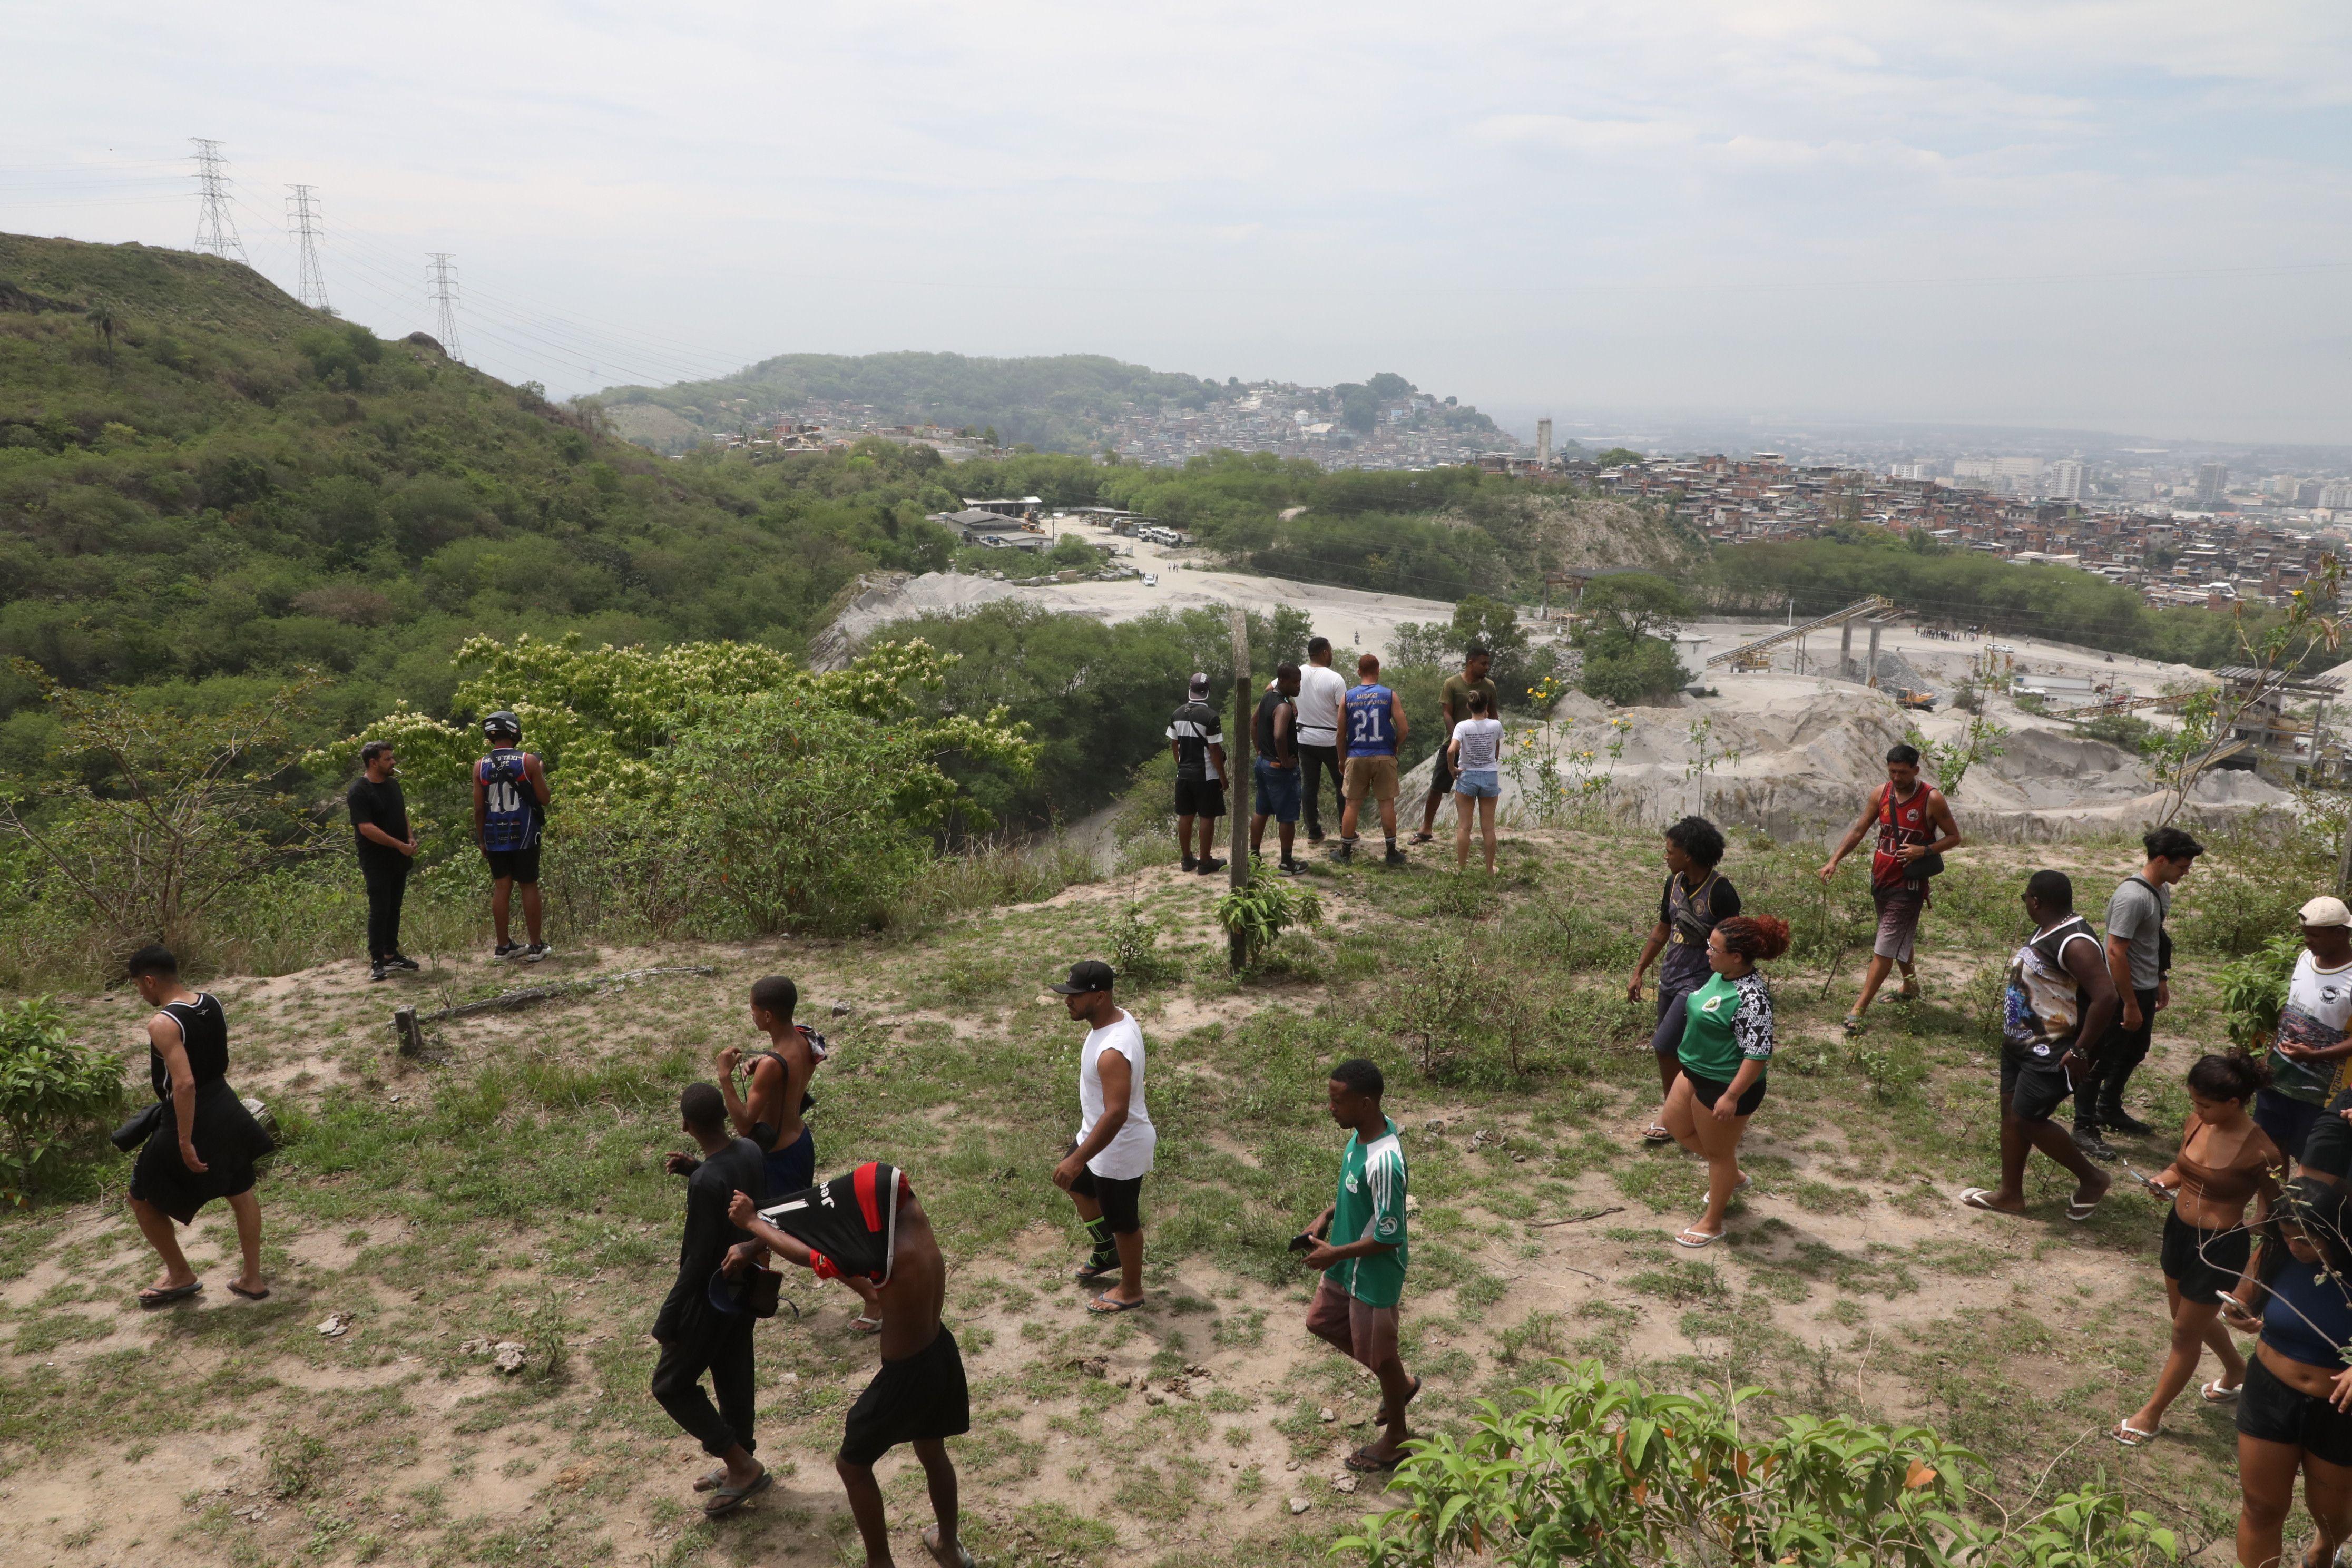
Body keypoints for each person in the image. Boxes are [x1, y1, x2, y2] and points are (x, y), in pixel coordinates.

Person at [728, 1166, 972, 1568]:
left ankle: (880, 1563)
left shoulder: (884, 1256)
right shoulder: (913, 1220)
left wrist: (753, 1221)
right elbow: (828, 1220)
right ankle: (949, 1545)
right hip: (940, 1352)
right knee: (932, 1449)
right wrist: (756, 1242)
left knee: (852, 1466)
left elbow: (811, 1256)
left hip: (905, 1375)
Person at [2114, 1053, 2280, 1446]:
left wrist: (2256, 1275)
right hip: (2178, 1233)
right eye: (2194, 1103)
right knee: (2186, 1319)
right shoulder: (2198, 1122)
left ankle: (2150, 1415)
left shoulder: (2262, 1153)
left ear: (2233, 1104)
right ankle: (2237, 1370)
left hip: (2218, 1248)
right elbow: (2182, 1169)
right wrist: (2162, 1181)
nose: (2197, 1111)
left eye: (2204, 1105)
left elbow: (2276, 1211)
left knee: (2184, 1333)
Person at [713, 976, 882, 1333]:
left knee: (802, 1237)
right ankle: (755, 1296)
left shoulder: (774, 1063)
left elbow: (744, 1124)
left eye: (754, 1009)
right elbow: (786, 1072)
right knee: (759, 1218)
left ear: (769, 1015)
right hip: (797, 1141)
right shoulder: (804, 1038)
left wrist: (725, 1078)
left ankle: (873, 1296)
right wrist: (763, 1067)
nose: (752, 1015)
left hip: (780, 1156)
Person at [1960, 870, 2118, 1219]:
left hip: (2056, 1050)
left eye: (2025, 898)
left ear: (2036, 901)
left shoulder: (2074, 942)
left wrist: (2082, 1050)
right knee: (2010, 1112)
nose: (2025, 903)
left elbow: (2107, 998)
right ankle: (2010, 1195)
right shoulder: (2047, 928)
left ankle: (2092, 1179)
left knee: (2028, 1119)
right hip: (2021, 1044)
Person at [124, 945, 273, 1307]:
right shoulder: (212, 1002)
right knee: (241, 1191)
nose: (140, 994)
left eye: (138, 987)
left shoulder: (162, 1023)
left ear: (149, 981)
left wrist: (185, 1141)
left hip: (187, 1116)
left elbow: (184, 1084)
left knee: (140, 1198)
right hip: (226, 1104)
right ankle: (251, 1278)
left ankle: (180, 1275)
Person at [2220, 1176, 2352, 1568]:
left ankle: (2324, 1551)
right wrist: (2236, 1311)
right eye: (2289, 1236)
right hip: (2269, 1392)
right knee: (2262, 1506)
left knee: (2331, 1514)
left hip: (2339, 1405)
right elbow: (2242, 1297)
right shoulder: (2275, 1252)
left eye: (2308, 1240)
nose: (2297, 1248)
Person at [653, 1082, 770, 1516]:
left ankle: (741, 1465)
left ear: (686, 1126)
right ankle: (741, 1457)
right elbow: (737, 1192)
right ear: (723, 1114)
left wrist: (667, 1319)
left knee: (670, 1385)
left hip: (709, 1297)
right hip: (745, 1290)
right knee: (732, 1369)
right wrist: (697, 1169)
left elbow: (698, 1262)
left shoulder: (707, 1183)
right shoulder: (749, 1150)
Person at [1302, 1057, 1419, 1473]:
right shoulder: (1360, 1137)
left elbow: (1390, 1235)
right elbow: (1360, 1193)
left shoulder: (1385, 1161)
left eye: (1337, 1101)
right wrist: (1327, 1215)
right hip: (1347, 1263)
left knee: (1382, 1356)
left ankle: (1398, 1440)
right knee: (1320, 1321)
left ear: (1365, 1104)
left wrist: (1334, 1252)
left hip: (1371, 1271)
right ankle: (1400, 1387)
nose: (1330, 1108)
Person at [1660, 915, 1790, 1248]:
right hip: (1694, 1071)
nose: (1706, 952)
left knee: (1719, 1155)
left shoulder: (1753, 998)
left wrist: (1731, 1096)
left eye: (1713, 948)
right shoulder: (1720, 974)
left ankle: (1712, 1223)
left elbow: (1757, 1055)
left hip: (1725, 1085)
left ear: (1736, 957)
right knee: (1676, 1125)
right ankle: (1732, 1176)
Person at [2077, 826, 2203, 1159]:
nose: (2185, 872)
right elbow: (2115, 951)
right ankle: (2083, 1126)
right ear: (2162, 860)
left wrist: (2160, 978)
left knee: (2134, 1051)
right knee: (2101, 1060)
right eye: (2182, 866)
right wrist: (2129, 1004)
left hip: (2145, 987)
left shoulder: (2159, 891)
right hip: (2123, 992)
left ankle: (2109, 1107)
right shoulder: (2132, 897)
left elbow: (2157, 939)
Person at [1818, 743, 1963, 1033]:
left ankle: (1859, 1008)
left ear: (1916, 770)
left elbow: (1954, 837)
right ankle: (1911, 986)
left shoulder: (1931, 798)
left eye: (1903, 772)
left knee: (1884, 947)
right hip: (1881, 879)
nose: (1897, 778)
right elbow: (1860, 829)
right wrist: (1835, 859)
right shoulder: (1881, 794)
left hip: (1909, 886)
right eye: (1893, 771)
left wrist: (1924, 851)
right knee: (1896, 936)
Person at [1048, 960, 1156, 1312]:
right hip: (1095, 1134)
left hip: (1118, 1147)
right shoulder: (1115, 1018)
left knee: (1124, 1223)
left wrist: (1078, 1157)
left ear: (1101, 996)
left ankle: (1132, 1288)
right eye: (1068, 995)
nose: (1068, 1002)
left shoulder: (1113, 1049)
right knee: (1077, 1186)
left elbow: (1117, 1113)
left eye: (1076, 996)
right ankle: (1107, 1251)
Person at [1627, 817, 1742, 1145]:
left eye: (1671, 851)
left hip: (1700, 984)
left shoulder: (1721, 892)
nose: (1666, 856)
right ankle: (1686, 1114)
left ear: (1688, 854)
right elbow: (1663, 927)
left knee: (1665, 1047)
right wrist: (1639, 971)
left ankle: (1672, 1116)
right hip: (1671, 977)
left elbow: (1735, 945)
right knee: (1676, 1050)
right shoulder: (1674, 882)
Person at [2254, 897, 2352, 1167]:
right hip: (2279, 1076)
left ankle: (2301, 1209)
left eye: (2314, 935)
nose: (2307, 941)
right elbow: (2291, 1010)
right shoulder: (2305, 958)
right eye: (2305, 934)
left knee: (2310, 1159)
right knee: (2270, 1152)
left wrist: (2316, 1055)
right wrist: (2269, 1056)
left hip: (2322, 1090)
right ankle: (2270, 1210)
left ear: (2341, 934)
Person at [474, 709, 551, 961]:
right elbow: (545, 799)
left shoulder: (480, 766)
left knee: (501, 887)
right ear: (514, 731)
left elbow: (478, 808)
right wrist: (539, 770)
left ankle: (503, 946)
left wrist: (482, 839)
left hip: (495, 835)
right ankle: (536, 946)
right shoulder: (527, 761)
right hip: (525, 832)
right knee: (529, 885)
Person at [348, 739, 420, 983]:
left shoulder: (393, 785)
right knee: (380, 909)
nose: (393, 762)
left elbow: (402, 813)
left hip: (399, 857)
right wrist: (399, 845)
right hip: (376, 860)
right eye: (388, 758)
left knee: (395, 907)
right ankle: (377, 960)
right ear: (373, 762)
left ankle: (391, 955)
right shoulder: (359, 791)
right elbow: (366, 828)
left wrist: (409, 838)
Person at [1415, 644, 1498, 845]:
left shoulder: (1489, 686)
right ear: (1471, 662)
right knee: (1437, 786)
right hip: (1452, 745)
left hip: (1479, 748)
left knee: (1482, 790)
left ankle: (1483, 833)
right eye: (1483, 663)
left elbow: (1494, 716)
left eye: (1488, 663)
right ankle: (1426, 829)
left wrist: (1495, 749)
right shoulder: (1452, 684)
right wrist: (1457, 738)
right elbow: (1447, 713)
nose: (1487, 667)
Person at [1338, 654, 1410, 867]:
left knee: (1352, 804)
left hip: (1356, 755)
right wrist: (1395, 744)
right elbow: (1404, 728)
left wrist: (1342, 759)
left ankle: (1345, 853)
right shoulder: (1389, 695)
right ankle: (1391, 853)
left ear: (1359, 671)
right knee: (1387, 804)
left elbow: (1340, 734)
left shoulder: (1347, 697)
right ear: (1378, 671)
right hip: (1384, 755)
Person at [1167, 672, 1227, 876]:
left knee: (1186, 815)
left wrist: (1181, 765)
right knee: (1207, 816)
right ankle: (1205, 862)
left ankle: (1186, 860)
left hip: (1184, 774)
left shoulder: (1177, 713)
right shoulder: (1211, 717)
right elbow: (1214, 750)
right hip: (1206, 775)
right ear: (1208, 692)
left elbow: (1175, 745)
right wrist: (1223, 776)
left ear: (1189, 690)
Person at [1249, 663, 1305, 875]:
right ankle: (1286, 863)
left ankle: (1254, 857)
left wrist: (1259, 750)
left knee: (1261, 810)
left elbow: (1253, 722)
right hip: (1280, 769)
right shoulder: (1283, 708)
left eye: (1300, 681)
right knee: (1287, 817)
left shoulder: (1267, 699)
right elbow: (1280, 735)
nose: (1299, 685)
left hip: (1263, 764)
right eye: (1294, 682)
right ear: (1282, 681)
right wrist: (1285, 761)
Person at [1295, 637, 1348, 844]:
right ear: (1325, 652)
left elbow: (1270, 689)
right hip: (1331, 740)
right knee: (1342, 784)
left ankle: (1313, 831)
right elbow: (1344, 713)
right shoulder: (1335, 679)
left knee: (1309, 786)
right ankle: (1346, 829)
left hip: (1305, 738)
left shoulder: (1298, 672)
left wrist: (1292, 706)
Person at [1446, 689, 1504, 873]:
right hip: (1489, 776)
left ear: (1468, 706)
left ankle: (1461, 869)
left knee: (1465, 827)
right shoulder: (1496, 725)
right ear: (1486, 706)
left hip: (1467, 775)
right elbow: (1496, 748)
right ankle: (1489, 869)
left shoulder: (1462, 727)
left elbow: (1451, 751)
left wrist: (1452, 768)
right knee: (1488, 828)